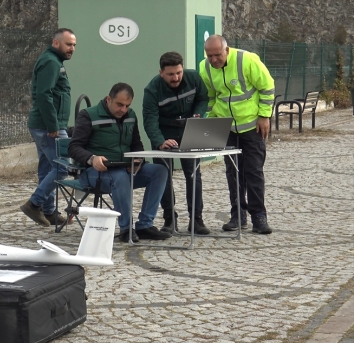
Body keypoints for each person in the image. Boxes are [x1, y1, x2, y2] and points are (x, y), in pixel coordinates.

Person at [68, 82, 171, 242]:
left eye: (127, 105)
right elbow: (74, 147)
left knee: (160, 171)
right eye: (119, 104)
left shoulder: (131, 115)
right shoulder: (88, 115)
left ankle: (144, 225)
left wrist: (138, 161)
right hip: (95, 173)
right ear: (109, 99)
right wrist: (92, 158)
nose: (123, 110)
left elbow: (137, 144)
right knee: (120, 177)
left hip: (125, 169)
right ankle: (126, 229)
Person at [199, 35, 275, 234]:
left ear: (227, 50)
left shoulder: (247, 60)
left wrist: (264, 116)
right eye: (210, 56)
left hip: (253, 127)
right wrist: (210, 120)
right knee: (233, 172)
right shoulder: (204, 68)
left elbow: (267, 87)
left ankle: (259, 217)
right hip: (228, 129)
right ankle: (238, 215)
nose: (214, 60)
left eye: (217, 55)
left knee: (253, 171)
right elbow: (210, 97)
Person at [142, 51, 210, 235]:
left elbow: (203, 98)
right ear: (161, 72)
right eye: (171, 74)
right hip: (164, 132)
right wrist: (159, 141)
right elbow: (149, 120)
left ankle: (196, 220)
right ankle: (169, 219)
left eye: (179, 72)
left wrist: (198, 113)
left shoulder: (194, 78)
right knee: (164, 176)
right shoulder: (152, 90)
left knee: (194, 174)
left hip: (190, 128)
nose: (176, 77)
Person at [20, 28, 77, 227]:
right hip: (48, 126)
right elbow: (44, 94)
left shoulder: (54, 61)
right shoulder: (51, 62)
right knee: (62, 168)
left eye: (74, 45)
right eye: (68, 44)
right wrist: (53, 124)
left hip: (45, 125)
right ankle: (34, 204)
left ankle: (49, 211)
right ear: (56, 43)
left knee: (47, 169)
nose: (72, 48)